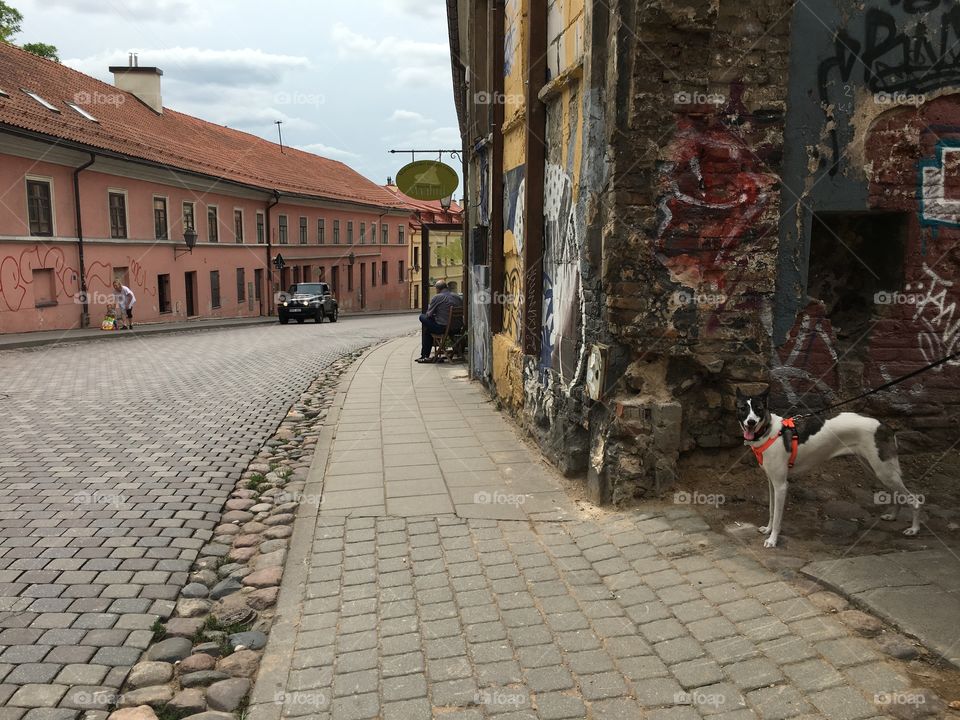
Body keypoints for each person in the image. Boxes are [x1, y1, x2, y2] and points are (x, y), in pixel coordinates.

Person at [416, 280, 463, 362]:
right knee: (429, 330)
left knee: (422, 317)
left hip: (444, 328)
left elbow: (428, 314)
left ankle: (424, 356)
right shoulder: (457, 297)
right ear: (446, 287)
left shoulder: (438, 297)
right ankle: (424, 356)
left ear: (437, 289)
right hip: (457, 328)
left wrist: (435, 316)